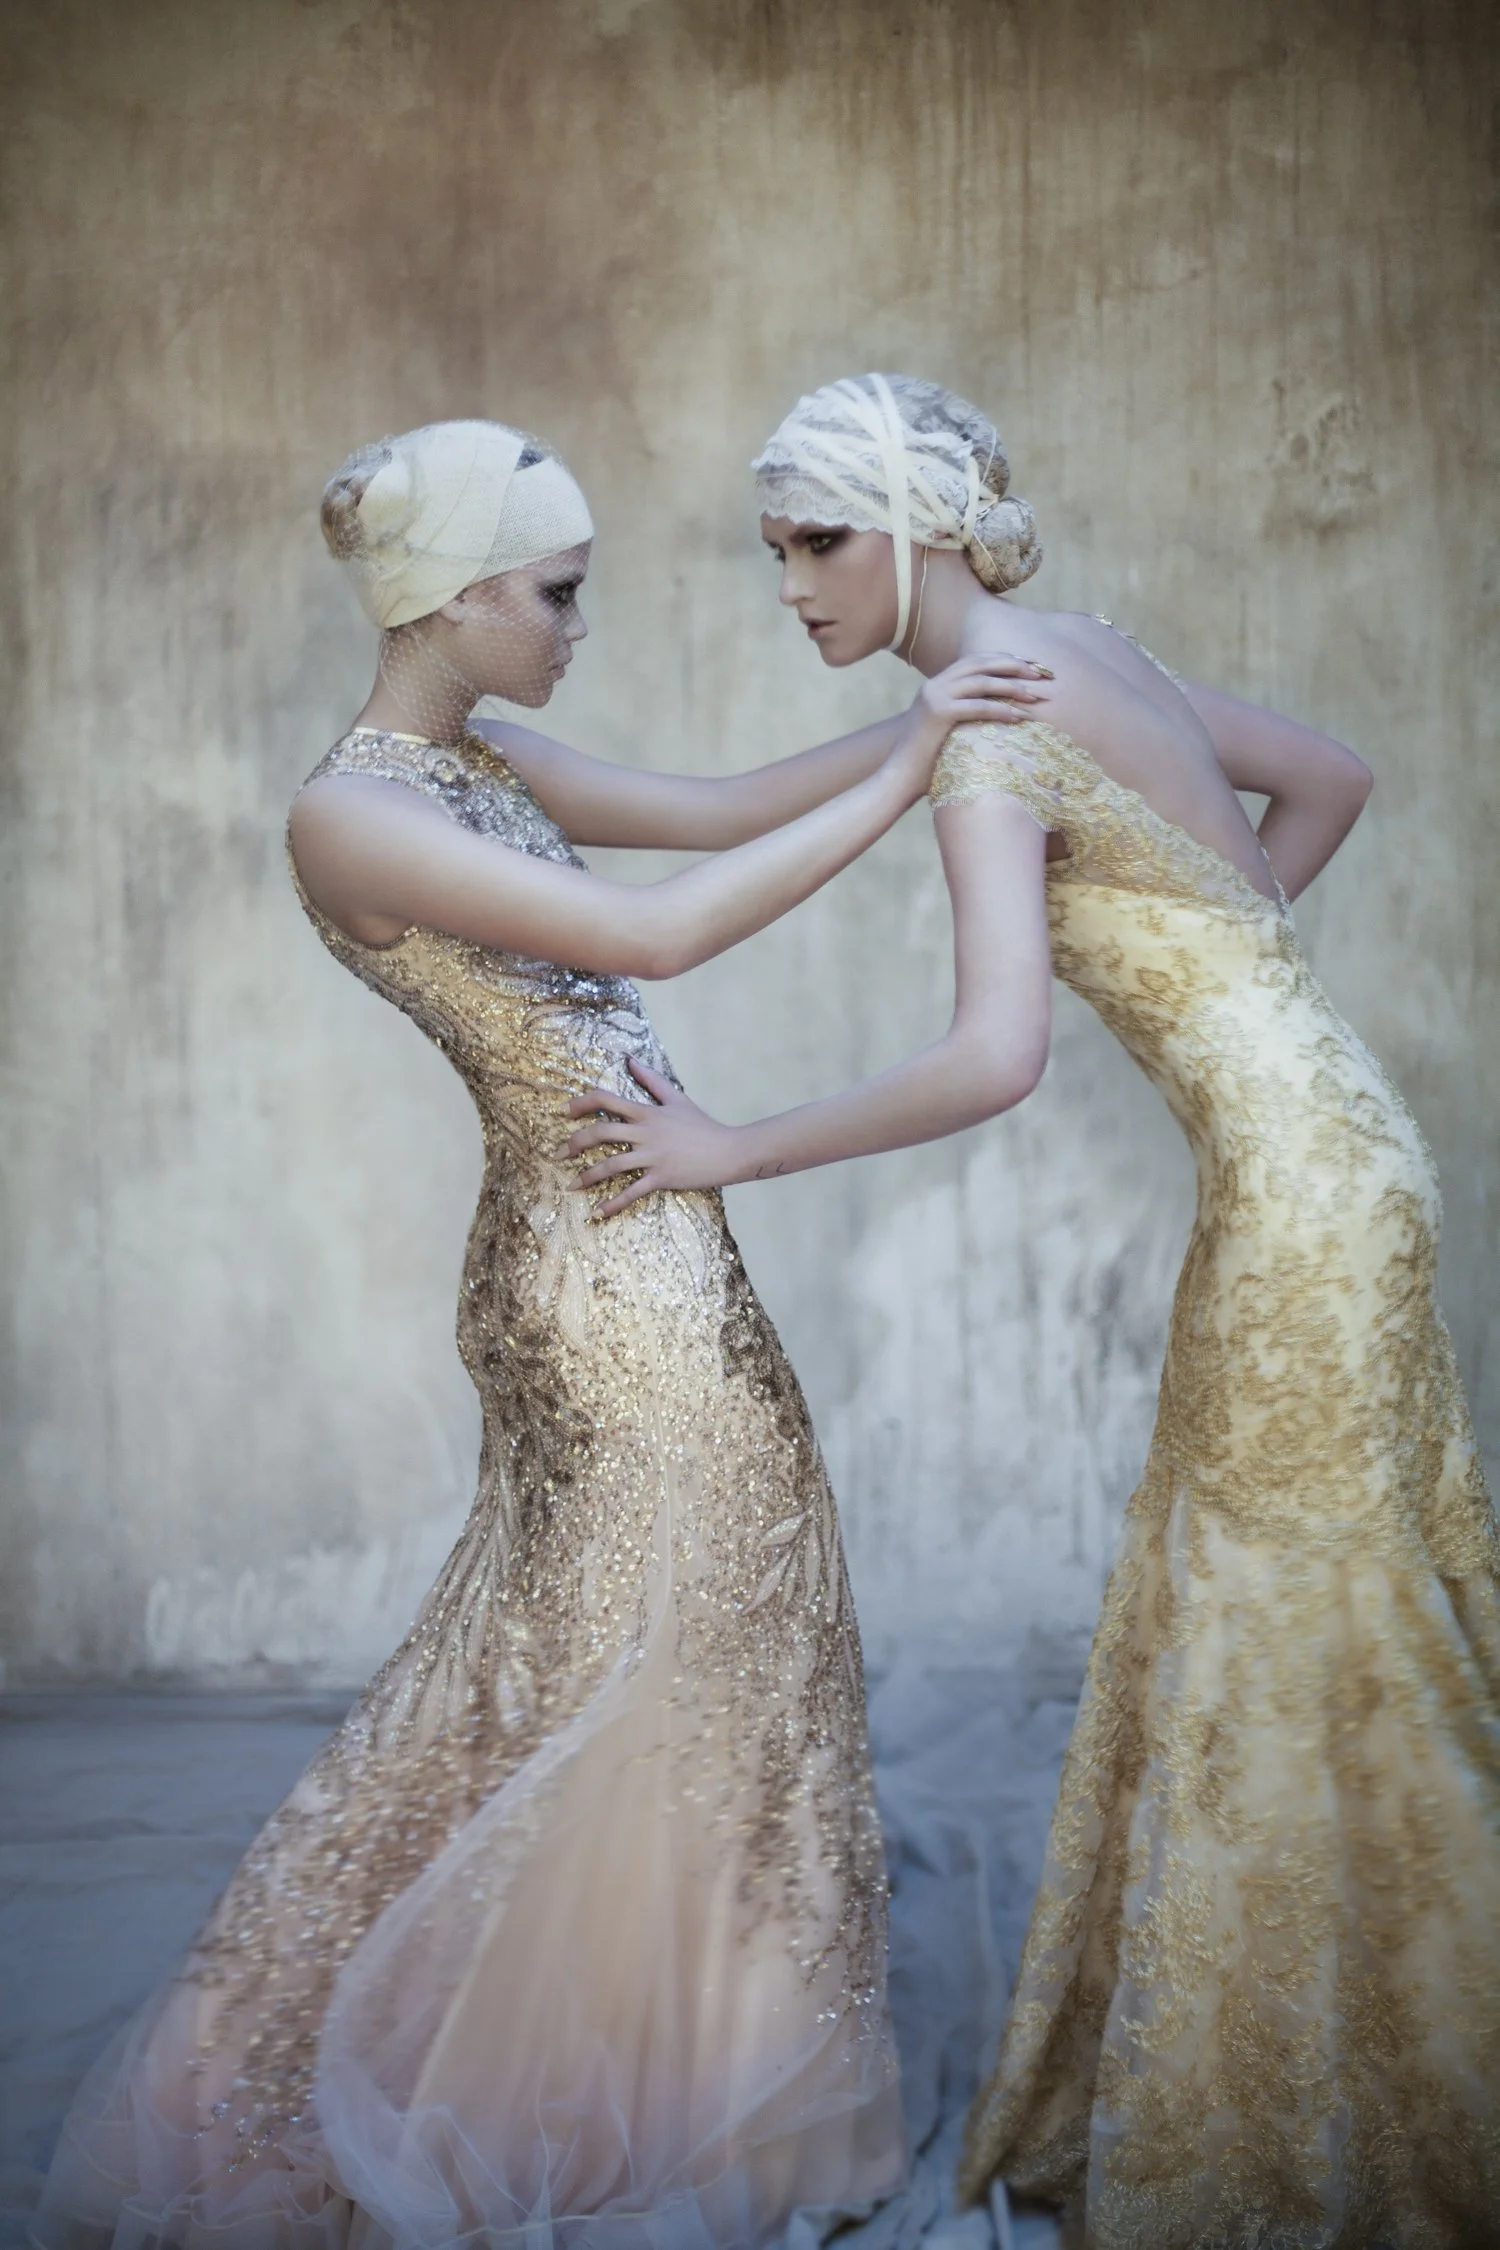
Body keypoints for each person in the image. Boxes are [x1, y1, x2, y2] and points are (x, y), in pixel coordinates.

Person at [29, 418, 1047, 2250]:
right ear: (457, 597)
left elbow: (727, 808)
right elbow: (651, 937)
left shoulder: (476, 756)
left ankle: (679, 2052)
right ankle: (631, 2092)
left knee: (667, 1651)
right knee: (665, 1651)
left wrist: (945, 713)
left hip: (626, 1236)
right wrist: (918, 760)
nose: (582, 621)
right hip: (603, 1265)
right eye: (557, 593)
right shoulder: (356, 810)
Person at [565, 375, 1500, 2247]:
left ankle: (1352, 2104)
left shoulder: (992, 743)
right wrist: (1229, 983)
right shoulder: (1081, 660)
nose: (791, 585)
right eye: (775, 549)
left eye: (818, 541)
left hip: (1308, 1196)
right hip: (1352, 1156)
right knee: (1302, 1589)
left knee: (1288, 1610)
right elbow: (1331, 776)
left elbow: (994, 1058)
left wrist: (727, 1145)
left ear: (916, 530)